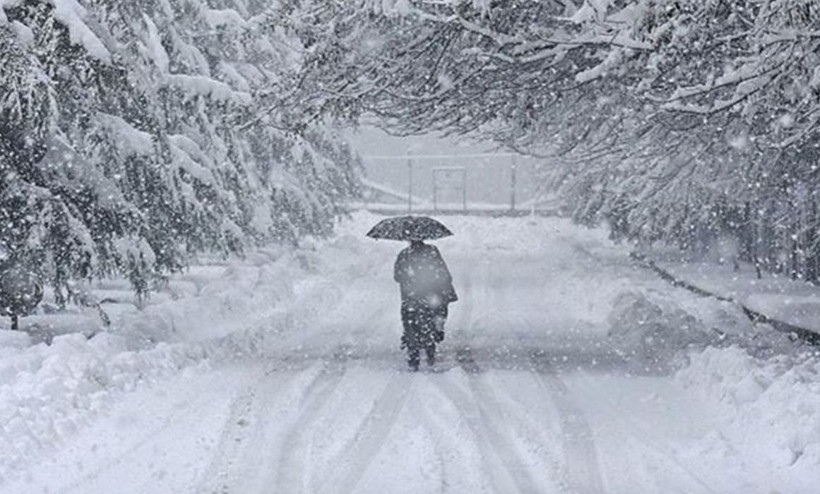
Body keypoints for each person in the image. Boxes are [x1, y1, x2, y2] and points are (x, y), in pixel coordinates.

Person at [394, 239, 457, 370]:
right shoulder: (432, 252)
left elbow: (397, 276)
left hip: (411, 296)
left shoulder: (404, 254)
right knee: (432, 319)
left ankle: (413, 355)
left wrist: (410, 281)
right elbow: (442, 272)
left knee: (410, 323)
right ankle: (431, 346)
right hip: (430, 294)